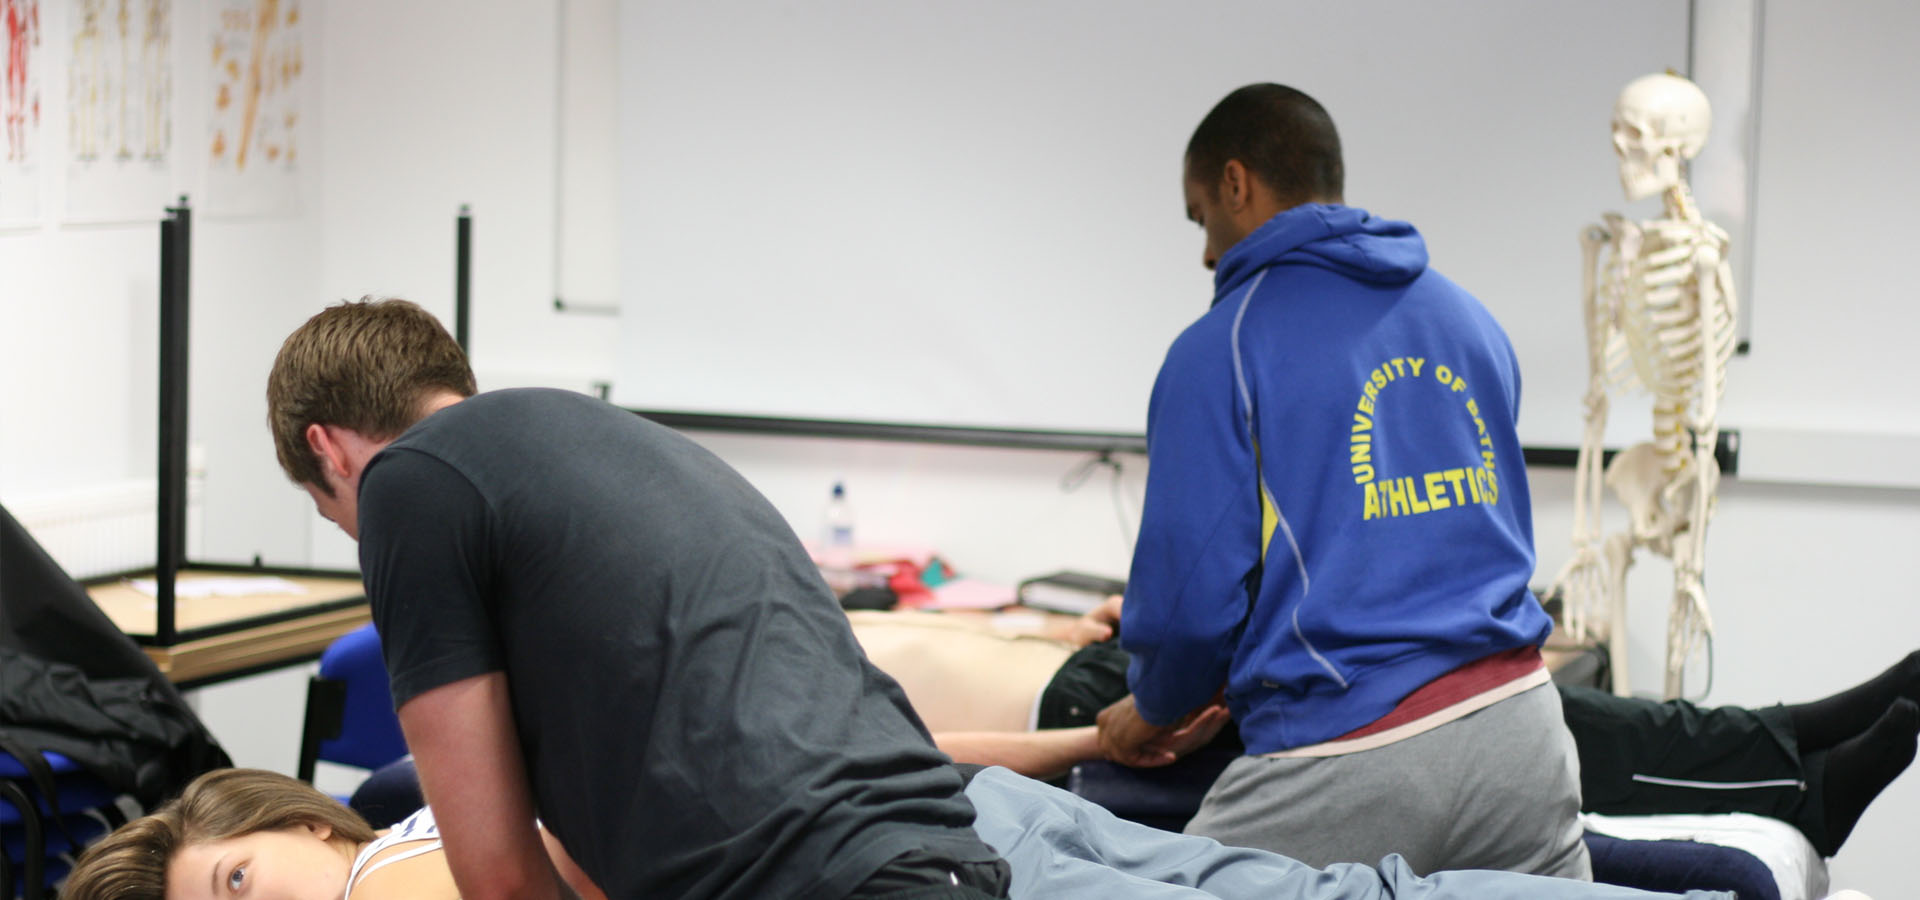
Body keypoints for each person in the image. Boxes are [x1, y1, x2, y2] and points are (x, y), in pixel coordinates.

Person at [263, 299, 1009, 900]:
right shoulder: (611, 439)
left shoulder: (403, 481)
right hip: (941, 849)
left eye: (339, 520)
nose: (362, 544)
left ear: (326, 448)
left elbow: (498, 879)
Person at [1091, 82, 1585, 877]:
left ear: (1235, 182)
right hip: (1523, 730)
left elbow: (1188, 607)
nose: (1207, 251)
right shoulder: (1468, 318)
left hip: (1355, 750)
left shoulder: (1223, 345)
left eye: (1199, 217)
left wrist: (1149, 708)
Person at [850, 602, 1920, 858]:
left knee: (1462, 672)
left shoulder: (790, 594)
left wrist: (1062, 622)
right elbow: (922, 754)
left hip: (1098, 670)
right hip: (1090, 725)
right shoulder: (766, 670)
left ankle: (1779, 736)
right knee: (1464, 706)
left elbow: (946, 629)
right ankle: (1794, 779)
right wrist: (1093, 745)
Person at [64, 766, 1751, 900]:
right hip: (939, 816)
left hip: (918, 856)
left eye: (233, 883)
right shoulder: (455, 798)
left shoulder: (407, 859)